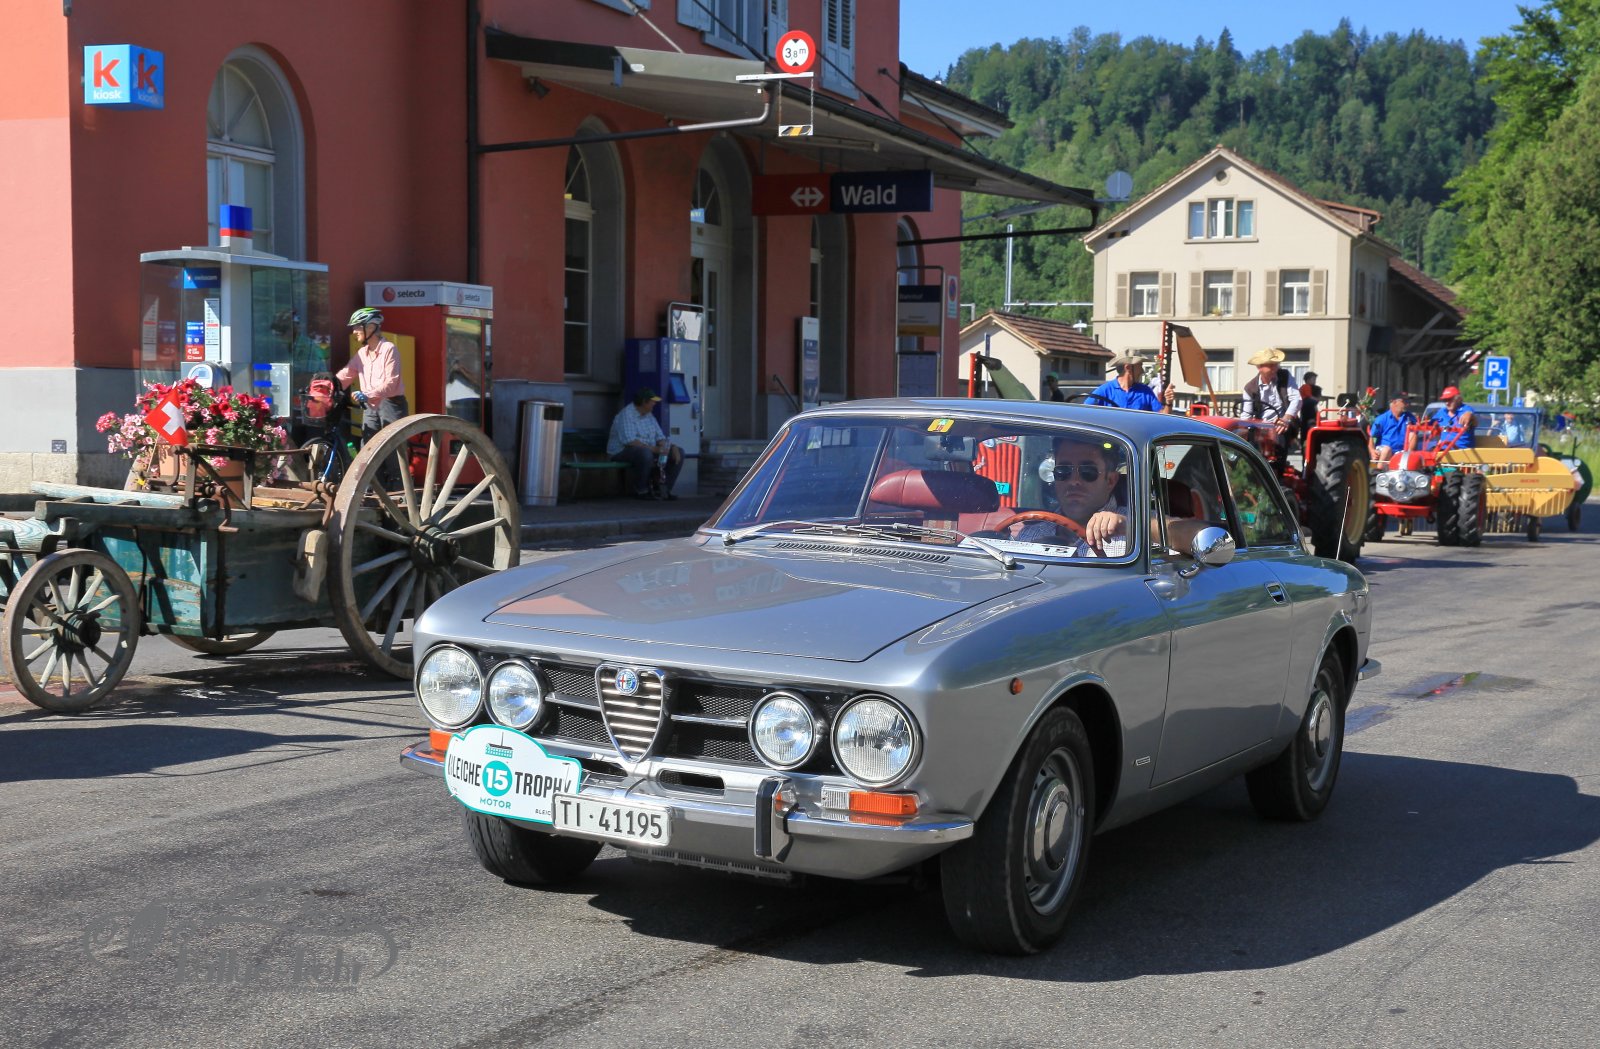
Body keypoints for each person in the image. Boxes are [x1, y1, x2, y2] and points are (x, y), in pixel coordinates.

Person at [1012, 435, 1128, 556]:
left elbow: (1141, 531)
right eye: (1063, 471)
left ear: (1110, 481)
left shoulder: (1133, 532)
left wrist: (1128, 528)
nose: (1073, 481)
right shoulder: (1029, 536)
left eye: (1088, 472)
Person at [337, 307, 408, 446]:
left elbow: (391, 383)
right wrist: (328, 385)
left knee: (391, 451)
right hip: (370, 405)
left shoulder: (389, 349)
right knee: (368, 448)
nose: (354, 331)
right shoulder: (361, 353)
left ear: (370, 327)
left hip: (391, 404)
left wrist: (367, 394)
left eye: (357, 327)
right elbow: (346, 374)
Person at [608, 388, 684, 500]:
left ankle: (663, 490)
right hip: (621, 452)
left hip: (645, 450)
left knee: (679, 452)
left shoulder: (649, 415)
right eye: (652, 401)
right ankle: (641, 490)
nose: (655, 403)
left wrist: (671, 447)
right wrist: (656, 449)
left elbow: (660, 438)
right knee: (645, 453)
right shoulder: (626, 415)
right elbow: (630, 442)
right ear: (644, 402)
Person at [1241, 348, 1302, 461]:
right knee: (1249, 443)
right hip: (1260, 427)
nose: (1275, 368)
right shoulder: (1249, 388)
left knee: (1279, 434)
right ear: (1259, 367)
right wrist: (1242, 430)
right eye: (1271, 365)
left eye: (1276, 364)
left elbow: (1296, 400)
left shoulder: (1285, 376)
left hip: (1282, 424)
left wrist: (1285, 419)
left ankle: (1278, 466)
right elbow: (1246, 415)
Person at [1085, 352, 1174, 412]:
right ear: (1128, 368)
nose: (1142, 371)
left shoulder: (1146, 392)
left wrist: (1168, 403)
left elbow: (1162, 419)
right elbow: (1085, 413)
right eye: (1140, 366)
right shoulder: (1104, 391)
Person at [1368, 394, 1417, 461]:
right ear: (1394, 402)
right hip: (1384, 451)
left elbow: (1416, 431)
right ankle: (1379, 467)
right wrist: (1372, 451)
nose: (1407, 404)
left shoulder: (1410, 418)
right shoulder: (1382, 419)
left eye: (1408, 401)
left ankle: (1408, 459)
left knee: (1413, 434)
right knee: (1387, 450)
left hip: (1401, 451)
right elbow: (1372, 437)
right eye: (1404, 401)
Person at [1427, 385, 1475, 450]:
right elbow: (1428, 425)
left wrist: (1468, 415)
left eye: (1449, 400)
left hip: (1462, 452)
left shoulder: (1465, 409)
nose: (1447, 403)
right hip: (1443, 450)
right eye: (1445, 400)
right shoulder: (1441, 412)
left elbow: (1470, 415)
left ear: (1458, 399)